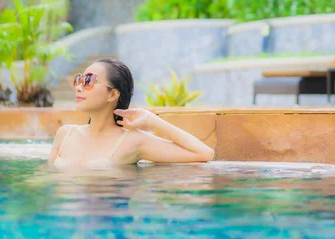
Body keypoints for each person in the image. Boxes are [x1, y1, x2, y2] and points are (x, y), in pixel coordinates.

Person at [49, 58, 214, 167]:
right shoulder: (65, 134)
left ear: (113, 94)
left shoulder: (133, 141)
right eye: (79, 79)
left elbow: (204, 153)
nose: (78, 86)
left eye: (89, 80)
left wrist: (152, 120)